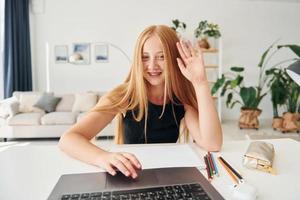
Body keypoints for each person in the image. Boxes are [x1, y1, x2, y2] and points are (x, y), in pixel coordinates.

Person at [58, 25, 223, 179]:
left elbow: (212, 144)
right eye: (145, 57)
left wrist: (200, 82)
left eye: (162, 57)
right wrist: (102, 156)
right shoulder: (123, 95)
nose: (152, 65)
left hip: (167, 175)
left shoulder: (180, 98)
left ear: (175, 59)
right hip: (130, 175)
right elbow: (69, 139)